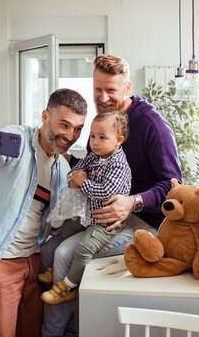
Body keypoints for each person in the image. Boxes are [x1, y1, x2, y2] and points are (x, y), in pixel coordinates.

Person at [41, 54, 183, 337]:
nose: (103, 97)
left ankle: (51, 334)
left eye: (111, 91)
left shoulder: (152, 125)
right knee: (46, 249)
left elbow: (175, 186)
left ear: (127, 89)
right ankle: (66, 330)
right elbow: (94, 165)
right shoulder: (105, 121)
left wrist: (133, 202)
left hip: (145, 224)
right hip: (103, 216)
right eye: (97, 89)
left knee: (65, 253)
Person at [0, 88, 87, 337]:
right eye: (64, 124)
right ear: (46, 116)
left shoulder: (63, 166)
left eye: (78, 128)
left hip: (33, 263)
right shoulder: (18, 141)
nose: (70, 135)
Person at [39, 109, 131, 305]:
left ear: (118, 140)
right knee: (67, 229)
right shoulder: (96, 155)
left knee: (83, 249)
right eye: (92, 136)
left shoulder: (119, 165)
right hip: (90, 214)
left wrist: (83, 183)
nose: (95, 142)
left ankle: (68, 286)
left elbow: (106, 191)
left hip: (107, 221)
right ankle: (56, 268)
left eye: (102, 137)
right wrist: (74, 178)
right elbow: (79, 167)